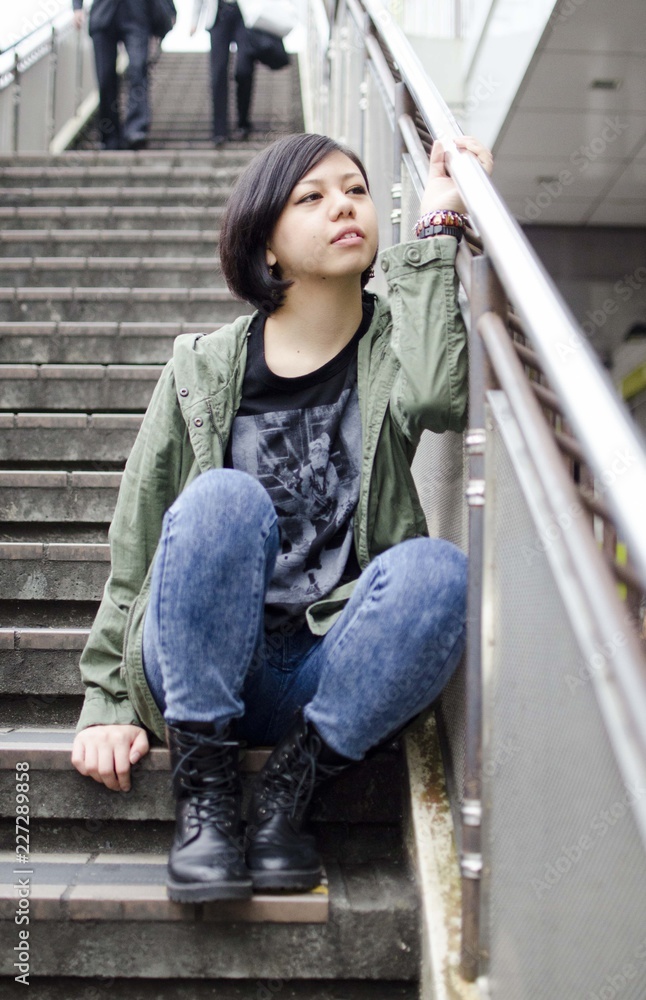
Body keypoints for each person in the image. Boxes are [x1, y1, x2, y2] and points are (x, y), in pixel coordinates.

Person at [71, 131, 493, 902]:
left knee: (439, 572)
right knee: (224, 501)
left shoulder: (389, 350)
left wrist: (438, 225)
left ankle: (286, 797)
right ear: (266, 244)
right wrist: (107, 700)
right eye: (313, 196)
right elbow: (138, 544)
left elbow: (439, 396)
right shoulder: (200, 366)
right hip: (203, 662)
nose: (344, 205)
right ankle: (205, 798)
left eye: (357, 190)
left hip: (328, 671)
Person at [73, 0, 152, 150]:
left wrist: (170, 9)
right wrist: (77, 7)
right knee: (105, 78)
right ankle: (110, 135)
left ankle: (136, 129)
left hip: (137, 13)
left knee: (138, 69)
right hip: (103, 14)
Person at [190, 0, 255, 147]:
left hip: (244, 14)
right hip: (218, 15)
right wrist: (194, 21)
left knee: (244, 69)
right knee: (218, 73)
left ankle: (243, 122)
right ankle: (219, 130)